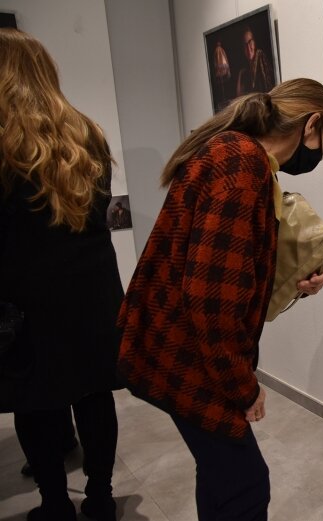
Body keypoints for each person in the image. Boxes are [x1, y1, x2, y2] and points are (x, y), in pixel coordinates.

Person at [116, 78, 323, 521]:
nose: (321, 153)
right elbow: (209, 299)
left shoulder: (234, 153)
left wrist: (293, 277)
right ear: (310, 123)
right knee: (245, 486)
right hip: (186, 353)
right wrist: (244, 387)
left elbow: (226, 263)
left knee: (222, 474)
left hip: (178, 343)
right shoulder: (242, 167)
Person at [0, 28, 123, 521]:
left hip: (27, 301)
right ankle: (99, 498)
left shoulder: (6, 142)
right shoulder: (87, 133)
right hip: (91, 294)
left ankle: (54, 504)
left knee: (36, 403)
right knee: (93, 393)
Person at [235, 27, 275, 97]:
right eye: (245, 44)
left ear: (255, 43)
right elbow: (239, 98)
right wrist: (240, 74)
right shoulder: (244, 72)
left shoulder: (261, 59)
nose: (248, 47)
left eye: (250, 42)